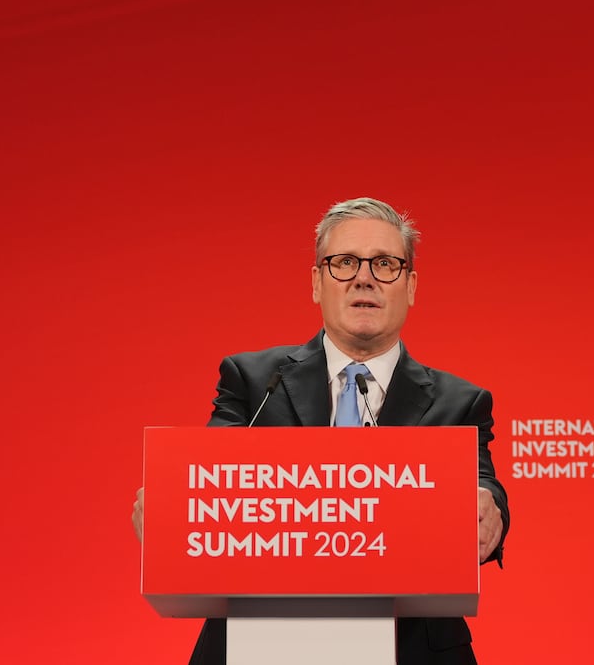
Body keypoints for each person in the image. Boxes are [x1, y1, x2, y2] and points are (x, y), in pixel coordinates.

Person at [132, 196, 508, 665]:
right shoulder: (253, 380)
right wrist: (174, 508)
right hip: (261, 640)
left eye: (386, 264)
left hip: (410, 646)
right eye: (344, 262)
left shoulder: (460, 402)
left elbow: (482, 483)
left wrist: (489, 511)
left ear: (410, 285)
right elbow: (210, 472)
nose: (364, 277)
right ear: (317, 282)